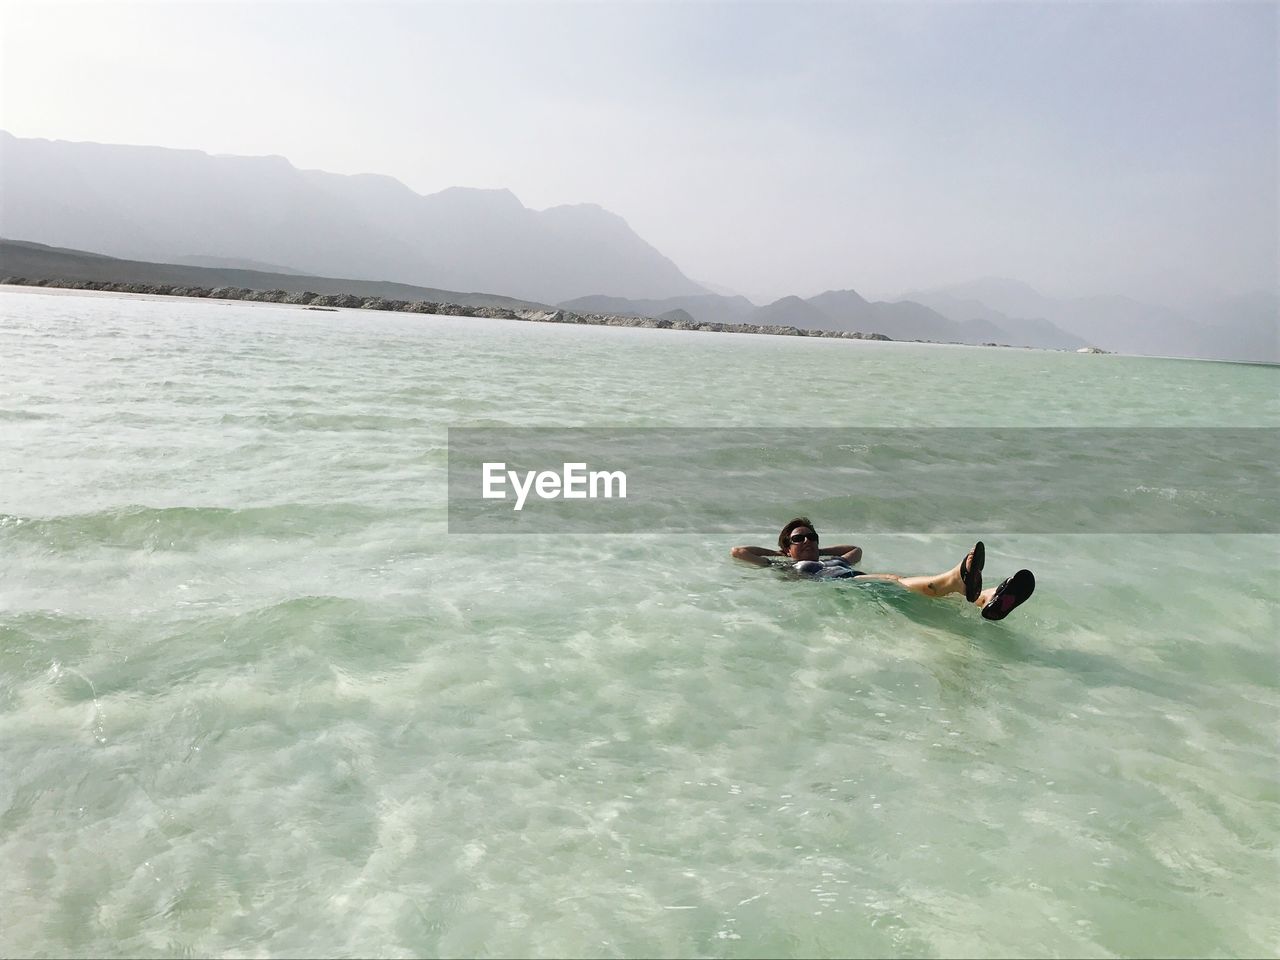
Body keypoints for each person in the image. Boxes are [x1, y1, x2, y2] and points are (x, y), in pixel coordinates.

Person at [731, 517, 1035, 621]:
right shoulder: (788, 566)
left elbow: (855, 550)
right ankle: (957, 578)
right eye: (800, 538)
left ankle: (987, 599)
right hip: (852, 588)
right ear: (787, 546)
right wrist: (785, 555)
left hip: (859, 581)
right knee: (895, 578)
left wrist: (818, 551)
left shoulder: (828, 560)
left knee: (902, 582)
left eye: (813, 536)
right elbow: (740, 552)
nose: (809, 540)